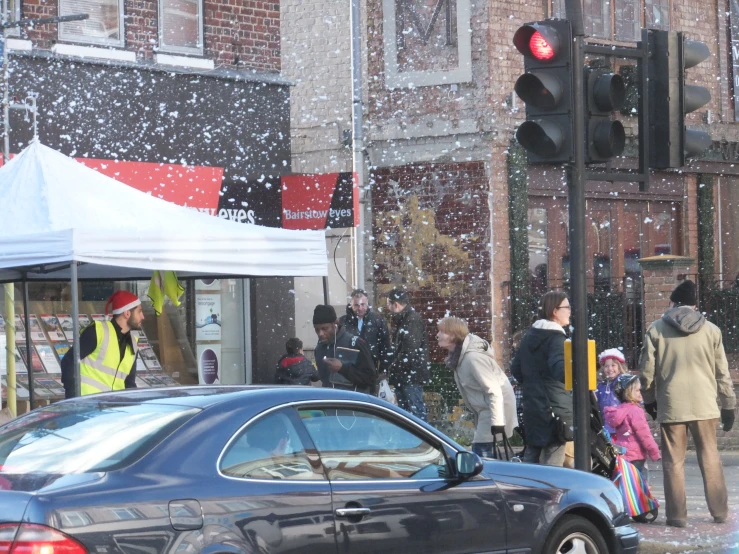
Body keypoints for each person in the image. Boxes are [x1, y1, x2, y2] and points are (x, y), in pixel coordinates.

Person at [639, 279, 736, 528]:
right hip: (705, 403)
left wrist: (649, 401)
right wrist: (728, 405)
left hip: (672, 404)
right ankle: (719, 511)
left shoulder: (657, 329)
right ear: (695, 304)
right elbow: (722, 372)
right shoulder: (712, 330)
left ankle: (677, 516)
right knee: (710, 457)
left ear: (673, 302)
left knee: (674, 462)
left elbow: (646, 373)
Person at [437, 316, 517, 458]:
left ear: (454, 335)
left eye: (442, 332)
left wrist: (497, 423)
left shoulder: (472, 358)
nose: (437, 335)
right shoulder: (460, 357)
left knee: (480, 452)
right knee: (482, 450)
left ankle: (486, 479)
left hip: (493, 409)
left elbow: (494, 391)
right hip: (487, 410)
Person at [510, 290, 572, 466]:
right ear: (555, 311)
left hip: (532, 407)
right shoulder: (556, 339)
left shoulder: (529, 336)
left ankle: (525, 492)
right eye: (566, 307)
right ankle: (551, 493)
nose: (569, 311)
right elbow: (560, 370)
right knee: (553, 463)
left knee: (532, 455)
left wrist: (533, 384)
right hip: (555, 408)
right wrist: (576, 374)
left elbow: (516, 369)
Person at [60, 290, 143, 398]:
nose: (143, 316)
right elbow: (68, 362)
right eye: (139, 312)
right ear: (127, 313)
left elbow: (129, 384)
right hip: (88, 405)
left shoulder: (133, 344)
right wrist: (72, 397)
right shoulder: (98, 331)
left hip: (113, 409)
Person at [604, 374, 661, 483]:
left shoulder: (619, 410)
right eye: (638, 390)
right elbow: (644, 435)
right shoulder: (635, 411)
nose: (641, 393)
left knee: (627, 484)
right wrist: (654, 452)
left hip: (623, 454)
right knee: (642, 485)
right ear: (629, 393)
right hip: (636, 455)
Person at [386, 287, 431, 421]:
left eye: (388, 304)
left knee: (416, 412)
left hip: (410, 376)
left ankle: (424, 439)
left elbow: (409, 351)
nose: (388, 308)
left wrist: (393, 367)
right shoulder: (406, 319)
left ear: (396, 304)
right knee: (407, 414)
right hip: (406, 375)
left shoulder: (411, 320)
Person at [313, 304, 377, 393]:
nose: (320, 333)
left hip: (353, 403)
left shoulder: (354, 343)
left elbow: (370, 378)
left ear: (335, 324)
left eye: (325, 328)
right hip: (329, 402)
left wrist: (342, 369)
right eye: (317, 330)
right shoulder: (319, 349)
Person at [339, 289, 392, 378]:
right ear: (351, 305)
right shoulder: (343, 322)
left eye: (362, 305)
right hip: (348, 369)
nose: (360, 308)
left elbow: (385, 346)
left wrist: (383, 370)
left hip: (370, 367)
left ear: (367, 303)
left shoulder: (377, 320)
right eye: (356, 305)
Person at [594, 348, 629, 436]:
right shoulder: (600, 386)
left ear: (620, 367)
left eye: (613, 365)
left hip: (622, 427)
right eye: (606, 366)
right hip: (605, 427)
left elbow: (633, 402)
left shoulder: (624, 383)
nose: (610, 369)